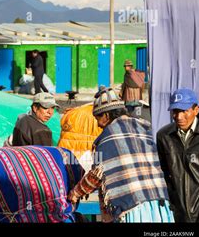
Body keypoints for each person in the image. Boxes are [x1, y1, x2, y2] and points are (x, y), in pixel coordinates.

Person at [68, 87, 174, 223]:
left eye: (97, 118)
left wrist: (77, 192)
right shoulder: (144, 127)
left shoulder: (107, 138)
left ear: (106, 116)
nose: (98, 125)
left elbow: (97, 174)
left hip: (132, 205)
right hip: (159, 200)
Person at [156, 88, 199, 223]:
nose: (179, 117)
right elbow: (163, 172)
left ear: (196, 110)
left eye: (184, 111)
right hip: (178, 213)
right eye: (175, 111)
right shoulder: (164, 136)